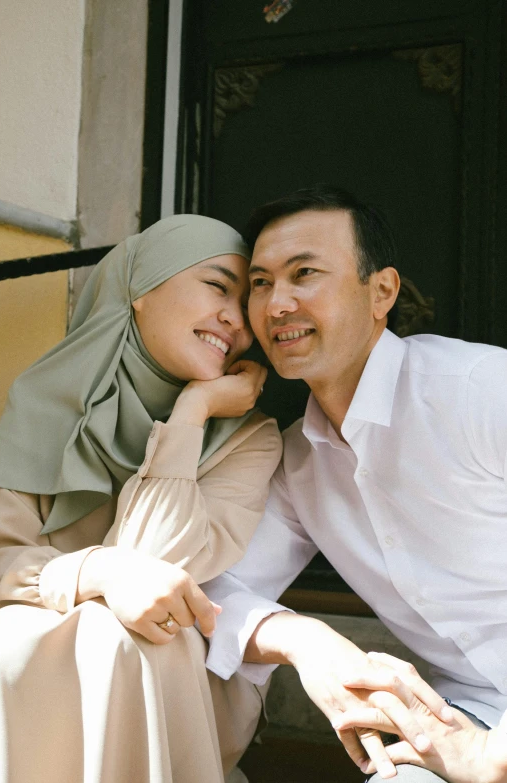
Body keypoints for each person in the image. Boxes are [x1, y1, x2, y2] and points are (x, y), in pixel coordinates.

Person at [201, 186, 507, 782]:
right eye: (260, 283)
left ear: (383, 292)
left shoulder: (481, 390)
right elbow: (215, 588)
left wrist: (497, 758)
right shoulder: (298, 461)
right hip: (466, 718)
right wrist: (303, 639)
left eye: (304, 273)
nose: (277, 304)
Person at [0, 214, 284, 783]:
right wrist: (102, 571)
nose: (234, 321)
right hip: (45, 655)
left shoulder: (250, 437)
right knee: (8, 639)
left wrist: (192, 413)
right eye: (218, 286)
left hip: (177, 668)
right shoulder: (46, 400)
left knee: (117, 636)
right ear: (139, 291)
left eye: (245, 307)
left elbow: (157, 568)